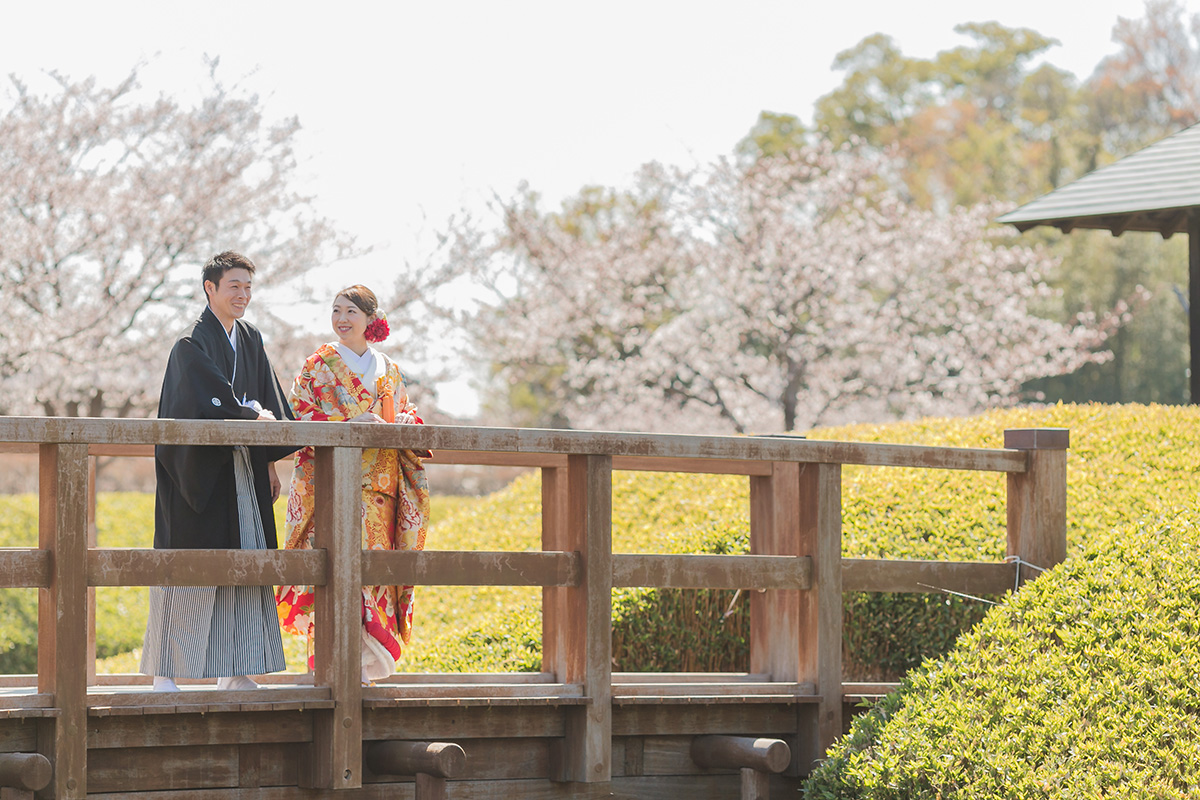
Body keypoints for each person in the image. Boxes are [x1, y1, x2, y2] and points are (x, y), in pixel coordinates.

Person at [140, 251, 298, 692]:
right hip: (199, 474)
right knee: (189, 567)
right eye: (234, 286)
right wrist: (249, 415)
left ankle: (236, 668)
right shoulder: (190, 343)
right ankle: (165, 671)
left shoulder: (250, 337)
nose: (243, 295)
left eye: (248, 287)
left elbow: (269, 401)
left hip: (243, 468)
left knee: (245, 561)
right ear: (210, 288)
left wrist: (266, 458)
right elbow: (204, 401)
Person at [276, 285, 430, 684]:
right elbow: (299, 416)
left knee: (372, 571)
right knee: (331, 567)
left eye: (351, 312)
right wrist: (348, 425)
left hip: (380, 489)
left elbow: (405, 411)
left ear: (370, 319)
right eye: (336, 311)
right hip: (331, 487)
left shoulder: (388, 368)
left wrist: (406, 424)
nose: (341, 319)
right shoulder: (318, 365)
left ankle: (364, 667)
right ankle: (330, 666)